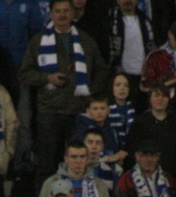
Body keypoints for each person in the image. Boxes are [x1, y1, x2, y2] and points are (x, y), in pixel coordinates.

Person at [18, 0, 109, 183]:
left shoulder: (85, 40)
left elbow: (102, 69)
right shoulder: (38, 41)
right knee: (47, 164)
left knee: (78, 164)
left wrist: (90, 91)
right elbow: (24, 73)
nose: (62, 15)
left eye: (66, 11)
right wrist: (47, 78)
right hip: (49, 112)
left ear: (72, 13)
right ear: (50, 14)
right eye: (57, 11)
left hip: (78, 111)